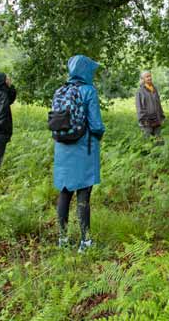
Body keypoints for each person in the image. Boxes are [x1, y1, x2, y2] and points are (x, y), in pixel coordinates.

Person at [53, 55, 105, 252]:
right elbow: (96, 124)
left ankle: (63, 239)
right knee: (84, 194)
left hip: (62, 149)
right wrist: (99, 135)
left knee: (64, 193)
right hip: (84, 148)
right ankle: (86, 242)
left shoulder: (60, 91)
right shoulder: (89, 91)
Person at [135, 70, 165, 138]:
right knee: (147, 142)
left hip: (157, 120)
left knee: (159, 141)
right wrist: (143, 120)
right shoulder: (140, 92)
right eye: (147, 77)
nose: (149, 78)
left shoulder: (155, 89)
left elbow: (159, 104)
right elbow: (139, 108)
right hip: (146, 122)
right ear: (143, 79)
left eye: (150, 76)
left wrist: (162, 117)